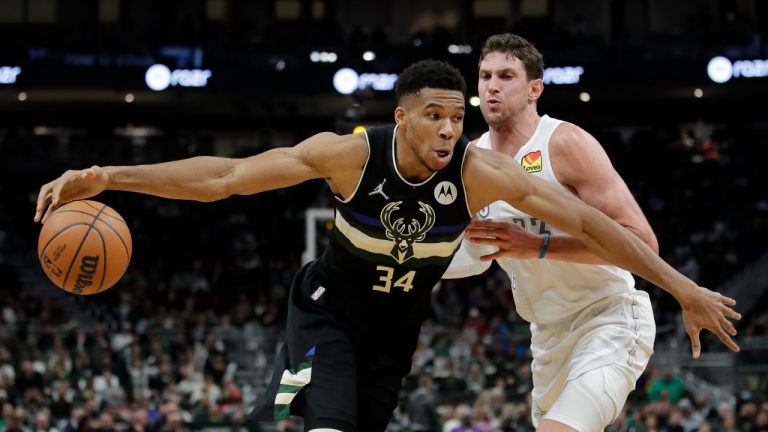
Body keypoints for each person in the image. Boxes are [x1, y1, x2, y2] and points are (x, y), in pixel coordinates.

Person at [34, 59, 740, 432]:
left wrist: (682, 288)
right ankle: (291, 381)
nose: (446, 130)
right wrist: (106, 175)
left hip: (393, 331)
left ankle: (289, 397)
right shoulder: (348, 156)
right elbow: (222, 178)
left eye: (456, 118)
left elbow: (595, 226)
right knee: (320, 418)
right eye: (432, 116)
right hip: (328, 310)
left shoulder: (481, 175)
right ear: (400, 117)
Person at [443, 33, 734, 432]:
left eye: (507, 76)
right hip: (546, 338)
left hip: (609, 320)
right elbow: (469, 255)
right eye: (485, 75)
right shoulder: (471, 162)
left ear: (534, 89)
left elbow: (640, 239)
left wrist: (540, 246)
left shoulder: (565, 143)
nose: (492, 85)